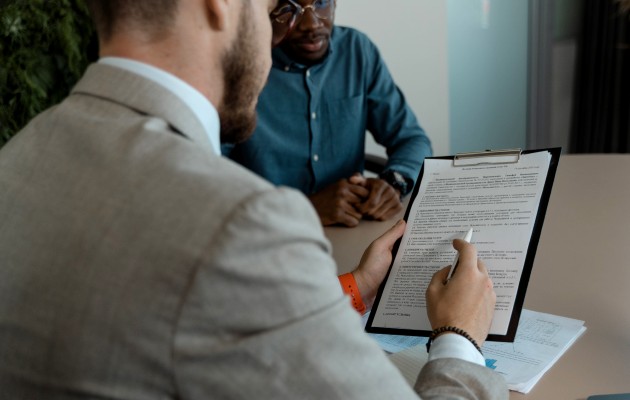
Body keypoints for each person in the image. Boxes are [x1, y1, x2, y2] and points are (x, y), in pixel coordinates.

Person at [0, 0, 507, 398]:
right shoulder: (240, 223)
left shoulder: (17, 159)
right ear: (220, 3)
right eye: (272, 10)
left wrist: (355, 288)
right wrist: (459, 336)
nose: (278, 33)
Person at [223, 0, 433, 227]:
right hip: (268, 231)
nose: (311, 25)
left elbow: (412, 139)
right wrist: (305, 207)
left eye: (321, 3)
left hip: (351, 226)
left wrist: (394, 182)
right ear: (266, 8)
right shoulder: (241, 65)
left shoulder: (357, 50)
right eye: (290, 8)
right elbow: (209, 172)